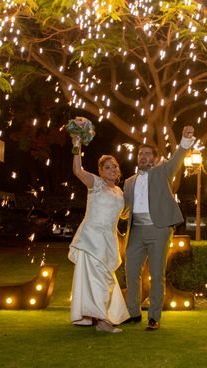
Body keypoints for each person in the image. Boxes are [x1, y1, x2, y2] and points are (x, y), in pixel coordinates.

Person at [122, 126, 195, 331]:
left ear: (154, 158)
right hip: (135, 231)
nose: (143, 156)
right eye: (140, 153)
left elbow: (177, 158)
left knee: (156, 274)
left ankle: (154, 317)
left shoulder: (163, 171)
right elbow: (124, 208)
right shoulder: (128, 182)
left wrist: (185, 140)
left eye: (147, 154)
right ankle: (133, 313)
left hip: (159, 229)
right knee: (131, 272)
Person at [68, 136, 130, 333]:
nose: (112, 170)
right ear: (101, 171)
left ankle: (99, 318)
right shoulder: (95, 183)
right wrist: (77, 145)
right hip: (91, 239)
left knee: (106, 280)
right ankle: (102, 321)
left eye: (114, 167)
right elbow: (77, 170)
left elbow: (122, 215)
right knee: (98, 280)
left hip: (109, 241)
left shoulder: (120, 192)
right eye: (108, 167)